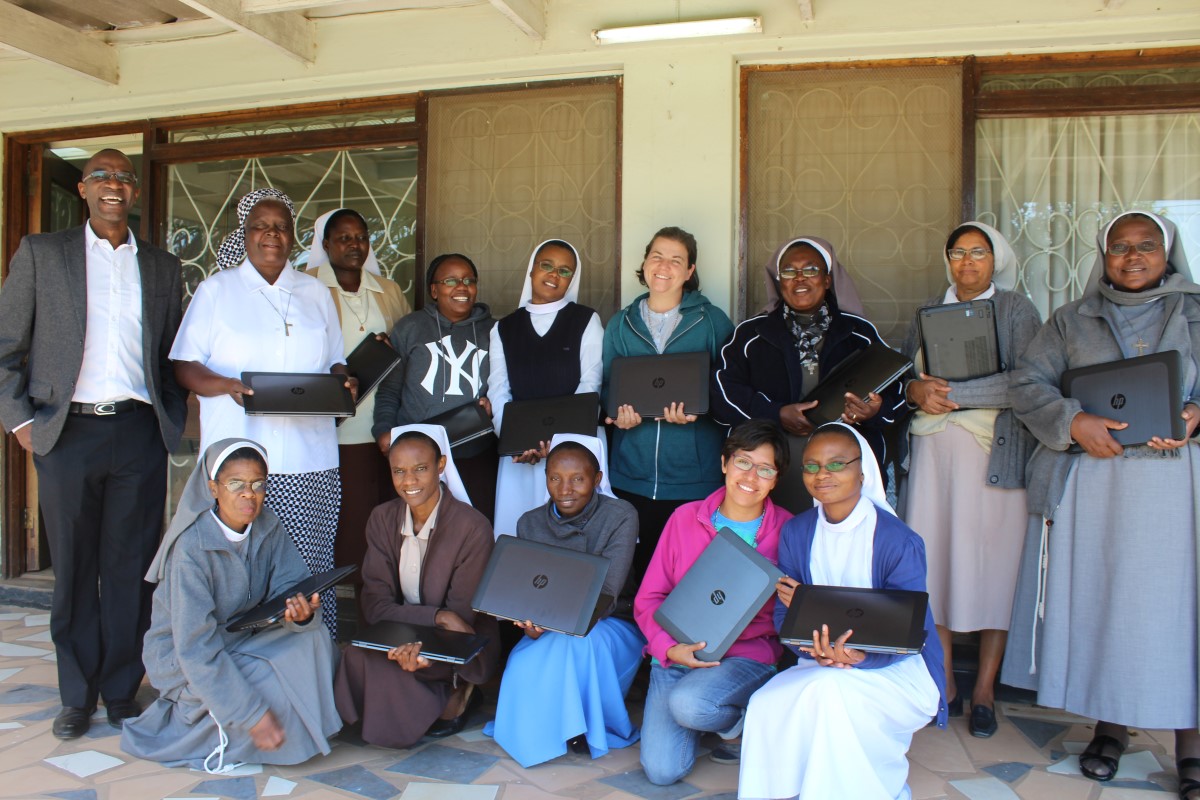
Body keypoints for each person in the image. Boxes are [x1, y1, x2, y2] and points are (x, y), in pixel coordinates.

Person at [1001, 211, 1200, 793]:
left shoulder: (1195, 312)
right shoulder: (1071, 319)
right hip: (1099, 484)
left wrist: (1195, 414)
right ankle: (1110, 727)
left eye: (1145, 246)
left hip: (1177, 488)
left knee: (1181, 609)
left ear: (1169, 253)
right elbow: (1028, 384)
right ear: (1103, 254)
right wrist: (1074, 420)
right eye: (1120, 246)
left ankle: (1191, 738)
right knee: (1109, 602)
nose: (1132, 257)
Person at [0, 149, 187, 739]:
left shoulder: (161, 267)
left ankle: (120, 689)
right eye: (102, 176)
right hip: (66, 431)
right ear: (82, 190)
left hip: (137, 432)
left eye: (124, 178)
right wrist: (21, 422)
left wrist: (170, 419)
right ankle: (76, 695)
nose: (114, 185)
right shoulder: (43, 254)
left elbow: (170, 356)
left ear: (134, 193)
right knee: (75, 570)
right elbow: (6, 345)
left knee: (131, 570)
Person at [170, 188, 355, 640]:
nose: (271, 234)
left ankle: (311, 663)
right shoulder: (217, 290)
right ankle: (241, 666)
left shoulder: (314, 292)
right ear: (245, 235)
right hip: (242, 461)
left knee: (308, 570)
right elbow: (184, 366)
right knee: (244, 572)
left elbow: (335, 360)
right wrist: (226, 386)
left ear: (292, 237)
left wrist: (344, 379)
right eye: (260, 226)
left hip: (309, 460)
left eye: (280, 227)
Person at [739, 423, 946, 800]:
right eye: (812, 466)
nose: (823, 475)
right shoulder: (798, 533)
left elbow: (908, 628)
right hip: (820, 663)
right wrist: (813, 649)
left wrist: (859, 656)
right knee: (766, 703)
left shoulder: (898, 541)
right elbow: (786, 616)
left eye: (836, 464)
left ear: (862, 471)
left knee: (831, 694)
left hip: (897, 668)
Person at [897, 221, 1042, 737]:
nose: (967, 262)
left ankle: (984, 688)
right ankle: (946, 683)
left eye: (978, 252)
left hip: (993, 461)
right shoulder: (927, 311)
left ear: (995, 258)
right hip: (933, 457)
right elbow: (904, 379)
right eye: (957, 253)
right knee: (936, 565)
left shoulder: (1018, 310)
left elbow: (1029, 382)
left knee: (993, 570)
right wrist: (917, 393)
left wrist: (954, 395)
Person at [120, 439, 341, 771]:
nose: (248, 494)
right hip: (183, 657)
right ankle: (246, 732)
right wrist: (251, 714)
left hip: (239, 636)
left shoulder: (269, 525)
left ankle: (292, 730)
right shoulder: (191, 549)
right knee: (267, 677)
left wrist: (299, 612)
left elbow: (289, 586)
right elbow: (194, 647)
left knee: (312, 638)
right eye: (236, 484)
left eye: (257, 484)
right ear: (213, 488)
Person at [634, 420, 793, 785]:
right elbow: (650, 597)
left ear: (776, 479)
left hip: (744, 657)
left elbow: (797, 609)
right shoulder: (685, 518)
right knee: (662, 771)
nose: (751, 476)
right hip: (676, 655)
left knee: (689, 705)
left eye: (765, 469)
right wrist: (670, 650)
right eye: (743, 462)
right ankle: (714, 713)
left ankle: (738, 721)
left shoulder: (789, 530)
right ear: (724, 463)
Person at [334, 424, 500, 748]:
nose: (409, 482)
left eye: (420, 469)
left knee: (423, 658)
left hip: (458, 640)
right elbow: (375, 605)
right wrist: (434, 618)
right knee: (356, 656)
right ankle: (432, 695)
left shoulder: (473, 527)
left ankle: (456, 688)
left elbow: (459, 618)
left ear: (441, 466)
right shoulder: (382, 519)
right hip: (404, 630)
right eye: (399, 471)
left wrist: (433, 625)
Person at [484, 435, 643, 767]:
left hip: (610, 621)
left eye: (578, 479)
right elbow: (530, 589)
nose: (565, 488)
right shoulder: (530, 521)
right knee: (523, 661)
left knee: (578, 646)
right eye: (555, 478)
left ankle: (580, 728)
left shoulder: (620, 516)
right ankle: (549, 730)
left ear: (597, 480)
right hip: (550, 625)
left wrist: (554, 621)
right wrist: (530, 625)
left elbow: (608, 591)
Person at [712, 236, 903, 511]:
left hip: (839, 469)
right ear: (779, 281)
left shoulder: (859, 333)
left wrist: (871, 411)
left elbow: (895, 389)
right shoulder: (750, 335)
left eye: (811, 270)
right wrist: (776, 413)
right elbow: (722, 393)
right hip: (771, 470)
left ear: (827, 279)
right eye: (789, 271)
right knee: (775, 542)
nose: (800, 278)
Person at [603, 226, 735, 589]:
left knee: (692, 574)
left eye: (676, 260)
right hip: (632, 470)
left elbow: (731, 384)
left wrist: (701, 409)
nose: (664, 266)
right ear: (644, 263)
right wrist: (617, 416)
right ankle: (649, 645)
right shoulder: (621, 322)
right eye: (657, 256)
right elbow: (606, 386)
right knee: (642, 573)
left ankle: (689, 644)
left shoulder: (712, 321)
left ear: (690, 271)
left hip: (692, 473)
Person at [305, 208, 411, 604]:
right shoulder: (308, 285)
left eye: (361, 237)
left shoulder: (389, 289)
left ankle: (381, 605)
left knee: (386, 519)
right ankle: (344, 609)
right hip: (334, 429)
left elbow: (406, 350)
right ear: (326, 244)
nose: (355, 245)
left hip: (384, 425)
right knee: (348, 523)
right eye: (344, 238)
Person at [489, 239, 605, 536]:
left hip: (574, 451)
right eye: (547, 265)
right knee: (519, 534)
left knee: (575, 537)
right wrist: (515, 441)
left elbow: (589, 385)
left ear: (572, 279)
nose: (554, 275)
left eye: (564, 271)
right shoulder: (504, 328)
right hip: (521, 454)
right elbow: (499, 389)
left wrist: (562, 445)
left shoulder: (586, 320)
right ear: (532, 270)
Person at [372, 254, 498, 521]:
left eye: (469, 280)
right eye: (451, 280)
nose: (461, 287)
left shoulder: (494, 331)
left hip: (475, 451)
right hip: (418, 454)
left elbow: (504, 385)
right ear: (434, 290)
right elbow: (390, 389)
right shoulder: (410, 328)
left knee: (474, 526)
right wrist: (383, 430)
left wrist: (493, 402)